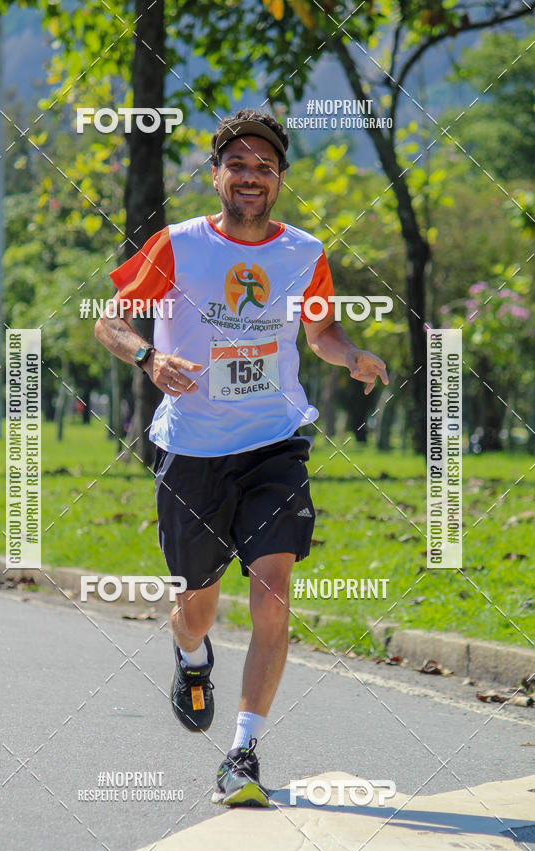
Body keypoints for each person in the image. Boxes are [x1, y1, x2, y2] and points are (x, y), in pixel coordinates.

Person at [95, 108, 388, 808]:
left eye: (264, 166)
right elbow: (110, 319)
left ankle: (243, 753)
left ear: (280, 178)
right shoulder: (178, 246)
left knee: (272, 593)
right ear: (217, 173)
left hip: (275, 443)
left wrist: (350, 356)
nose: (251, 177)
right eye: (238, 165)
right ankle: (192, 656)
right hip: (192, 447)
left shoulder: (304, 252)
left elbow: (320, 332)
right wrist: (148, 354)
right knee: (195, 607)